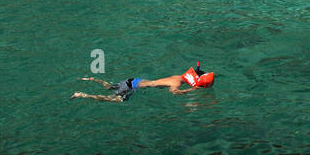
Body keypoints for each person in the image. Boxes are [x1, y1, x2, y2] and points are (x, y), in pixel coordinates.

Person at [72, 66, 215, 102]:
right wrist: (191, 91)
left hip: (134, 80)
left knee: (109, 86)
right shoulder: (176, 82)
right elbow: (174, 92)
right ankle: (82, 95)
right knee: (114, 100)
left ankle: (90, 79)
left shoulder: (178, 77)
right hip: (132, 86)